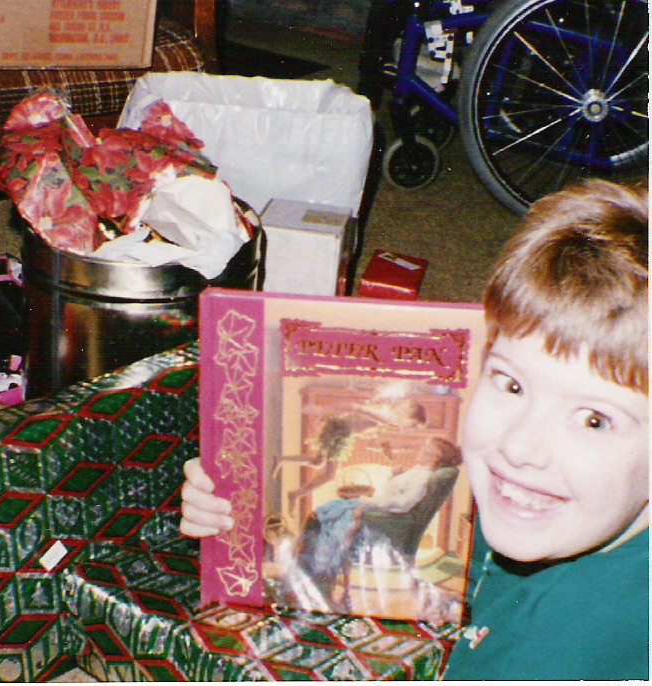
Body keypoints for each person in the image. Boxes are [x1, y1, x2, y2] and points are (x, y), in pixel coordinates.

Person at [180, 178, 649, 680]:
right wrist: (243, 513)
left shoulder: (553, 654)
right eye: (512, 384)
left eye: (594, 420)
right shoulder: (554, 503)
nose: (519, 446)